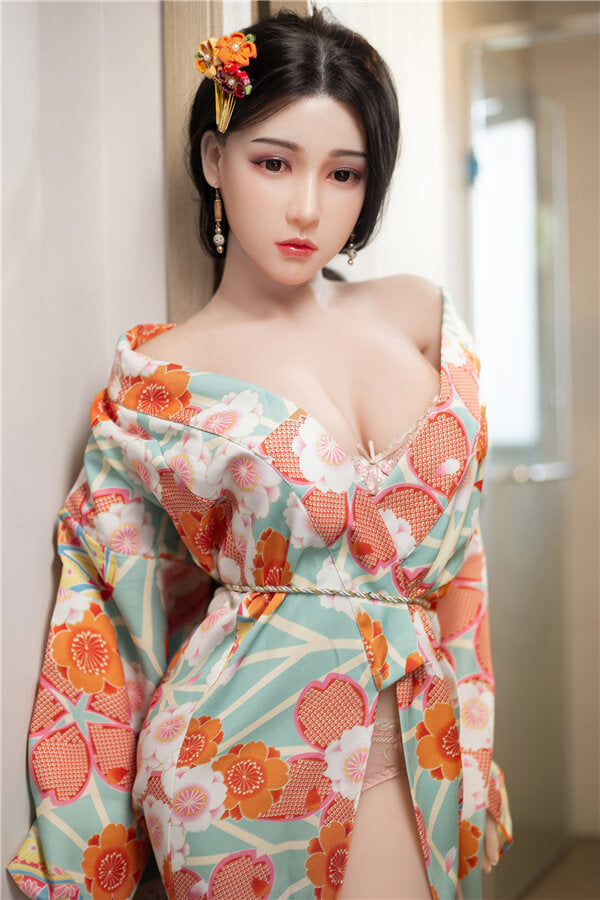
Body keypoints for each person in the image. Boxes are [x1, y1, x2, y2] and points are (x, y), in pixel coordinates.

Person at [7, 8, 512, 899]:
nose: (308, 206)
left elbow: (463, 565)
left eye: (344, 173)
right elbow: (110, 623)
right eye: (273, 162)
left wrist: (476, 745)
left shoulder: (420, 317)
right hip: (237, 772)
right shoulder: (159, 381)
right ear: (215, 158)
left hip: (424, 746)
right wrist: (85, 855)